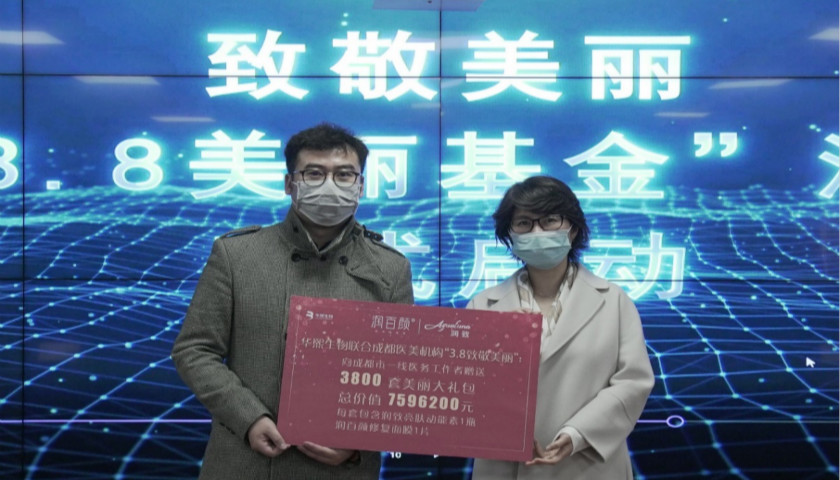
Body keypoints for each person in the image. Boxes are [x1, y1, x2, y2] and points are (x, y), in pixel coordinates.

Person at [171, 122, 414, 480]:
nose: (330, 185)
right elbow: (194, 350)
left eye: (344, 174)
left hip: (342, 470)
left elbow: (401, 373)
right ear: (289, 183)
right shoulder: (237, 255)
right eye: (314, 173)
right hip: (244, 462)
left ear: (361, 185)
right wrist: (249, 417)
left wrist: (357, 443)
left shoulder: (391, 268)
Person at [466, 176, 654, 480]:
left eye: (550, 220)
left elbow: (633, 382)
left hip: (587, 462)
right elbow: (464, 389)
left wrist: (578, 433)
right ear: (509, 235)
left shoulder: (614, 301)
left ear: (573, 228)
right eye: (524, 223)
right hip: (505, 466)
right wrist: (495, 349)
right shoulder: (483, 305)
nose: (537, 232)